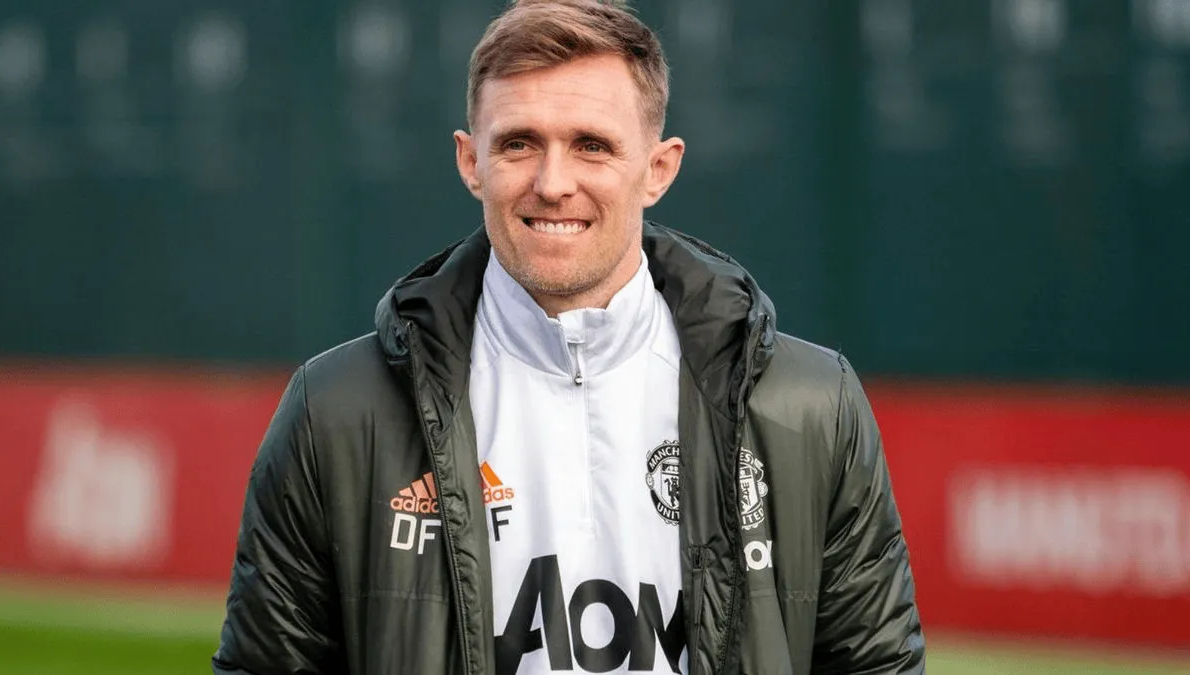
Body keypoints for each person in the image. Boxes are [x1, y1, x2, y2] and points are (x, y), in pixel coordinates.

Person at [212, 0, 925, 673]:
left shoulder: (812, 408)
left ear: (658, 169)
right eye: (519, 143)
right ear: (470, 161)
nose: (553, 183)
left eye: (592, 146)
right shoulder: (334, 413)